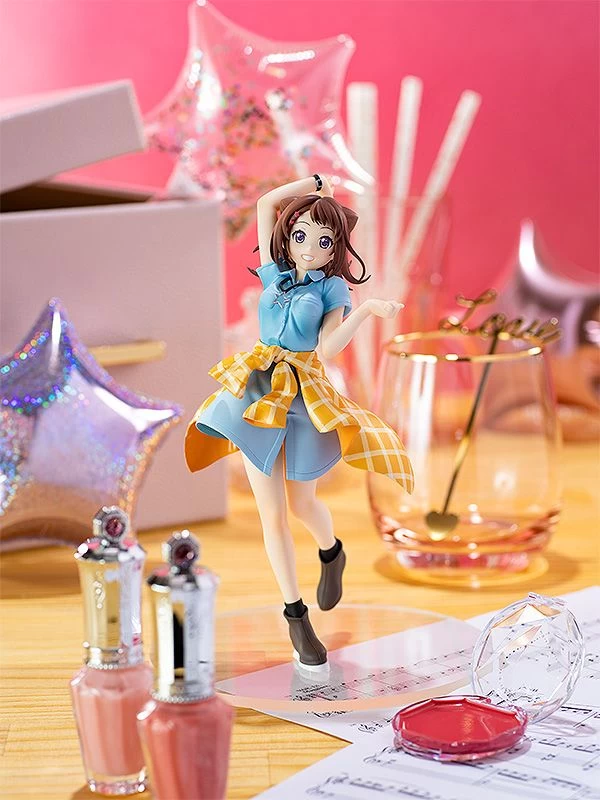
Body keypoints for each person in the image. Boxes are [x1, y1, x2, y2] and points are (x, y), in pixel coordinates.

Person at [185, 175, 414, 672]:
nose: (309, 248)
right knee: (271, 514)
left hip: (303, 392)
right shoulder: (276, 272)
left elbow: (328, 348)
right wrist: (313, 184)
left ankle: (331, 552)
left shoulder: (332, 288)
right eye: (300, 236)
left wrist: (365, 311)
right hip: (256, 393)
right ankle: (296, 617)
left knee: (302, 503)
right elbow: (266, 202)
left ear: (336, 248)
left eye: (324, 241)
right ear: (288, 237)